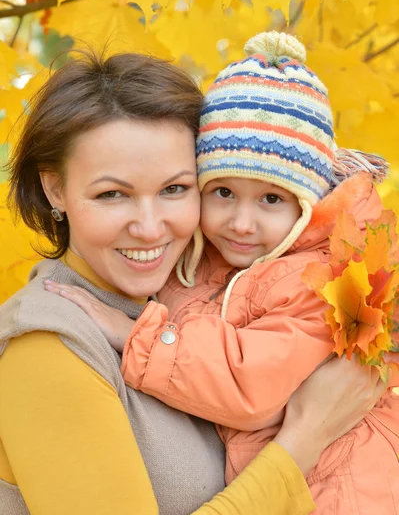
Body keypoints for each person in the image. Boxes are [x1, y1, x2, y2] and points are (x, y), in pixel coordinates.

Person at [46, 32, 399, 514]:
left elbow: (250, 386)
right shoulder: (207, 259)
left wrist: (134, 335)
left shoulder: (316, 281)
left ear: (308, 205)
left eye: (271, 199)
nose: (240, 222)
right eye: (223, 192)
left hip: (340, 491)